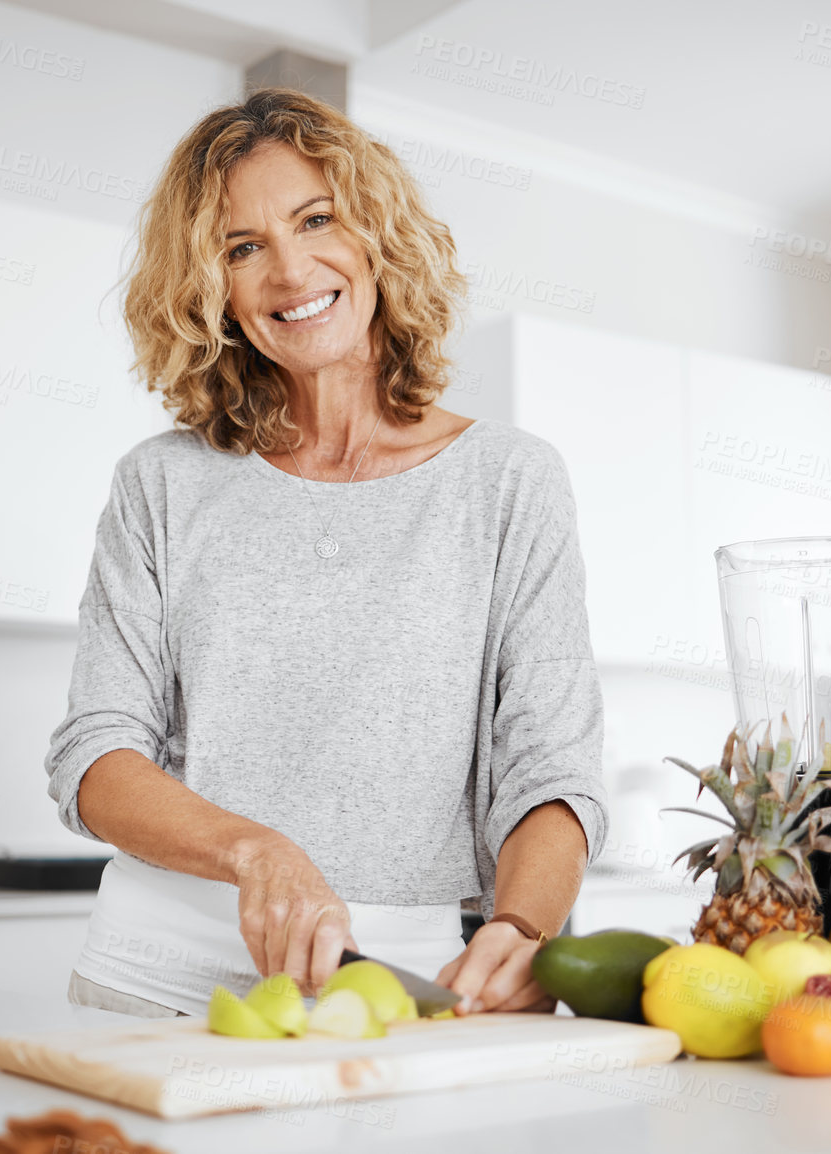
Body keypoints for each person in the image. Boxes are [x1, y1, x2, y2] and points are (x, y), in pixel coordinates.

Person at [44, 87, 607, 1019]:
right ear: (209, 288)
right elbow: (95, 755)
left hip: (407, 983)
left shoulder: (509, 481)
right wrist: (257, 852)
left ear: (378, 235)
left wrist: (523, 929)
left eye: (316, 219)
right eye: (241, 246)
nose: (289, 269)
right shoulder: (162, 484)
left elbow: (551, 768)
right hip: (155, 976)